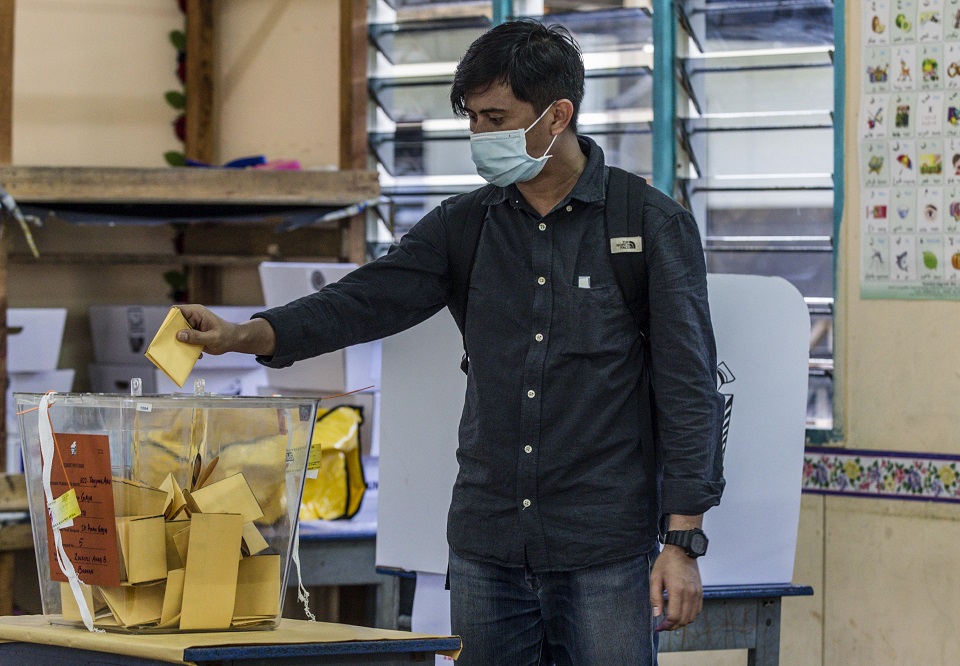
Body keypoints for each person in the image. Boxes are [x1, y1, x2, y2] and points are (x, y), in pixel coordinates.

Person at [176, 20, 725, 665]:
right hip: (487, 548)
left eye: (497, 117)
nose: (481, 137)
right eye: (473, 119)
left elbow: (688, 388)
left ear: (559, 115)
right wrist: (244, 334)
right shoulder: (467, 226)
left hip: (604, 550)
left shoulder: (649, 225)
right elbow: (364, 300)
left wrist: (682, 543)